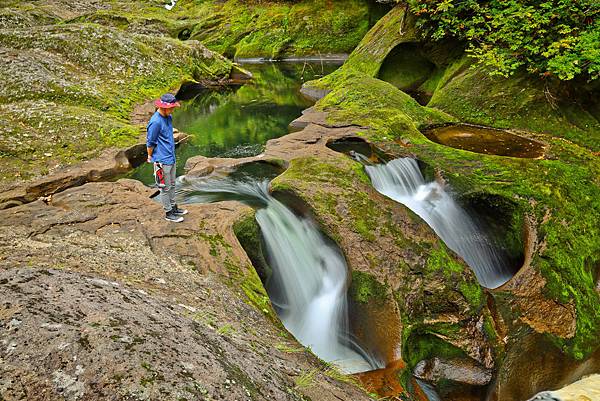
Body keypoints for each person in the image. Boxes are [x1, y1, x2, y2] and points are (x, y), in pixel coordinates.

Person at [146, 93, 188, 223]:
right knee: (164, 187)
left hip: (171, 157)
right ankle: (168, 212)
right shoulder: (155, 122)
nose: (173, 109)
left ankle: (174, 207)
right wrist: (150, 156)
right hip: (161, 160)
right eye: (172, 107)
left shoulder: (168, 117)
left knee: (173, 184)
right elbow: (150, 142)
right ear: (164, 107)